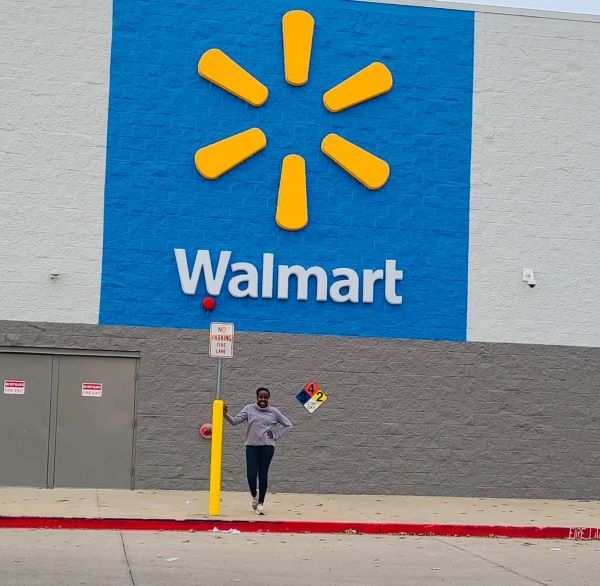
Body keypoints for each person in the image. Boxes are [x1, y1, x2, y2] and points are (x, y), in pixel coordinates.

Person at [224, 387, 292, 515]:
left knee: (263, 474)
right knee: (251, 475)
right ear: (256, 397)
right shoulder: (249, 409)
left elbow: (288, 425)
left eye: (265, 397)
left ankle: (261, 503)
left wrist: (276, 436)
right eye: (261, 397)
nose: (263, 399)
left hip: (267, 447)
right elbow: (234, 421)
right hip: (252, 446)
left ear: (268, 398)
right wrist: (224, 414)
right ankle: (254, 496)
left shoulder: (274, 412)